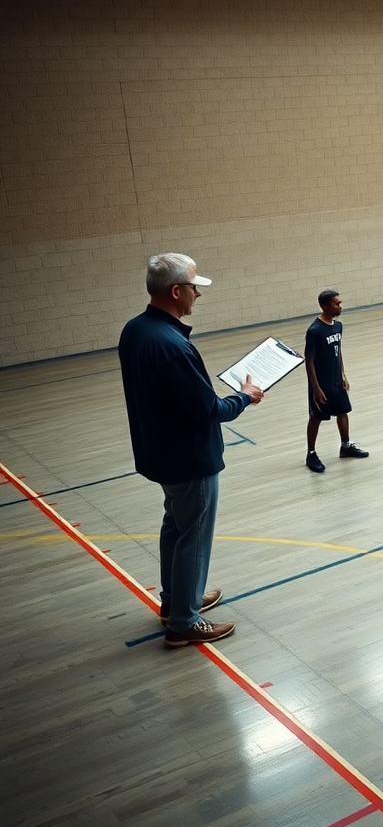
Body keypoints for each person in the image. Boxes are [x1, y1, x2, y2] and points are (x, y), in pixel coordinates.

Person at [118, 253, 264, 648]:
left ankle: (176, 600)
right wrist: (246, 397)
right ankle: (184, 621)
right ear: (177, 291)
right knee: (194, 537)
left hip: (161, 453)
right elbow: (209, 410)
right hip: (189, 459)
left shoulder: (135, 330)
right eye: (195, 287)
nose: (198, 294)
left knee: (176, 529)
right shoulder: (173, 346)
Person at [304, 288, 369, 472]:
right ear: (324, 306)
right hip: (321, 383)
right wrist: (315, 388)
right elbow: (308, 360)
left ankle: (345, 446)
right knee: (316, 417)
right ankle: (310, 453)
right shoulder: (314, 331)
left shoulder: (338, 326)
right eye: (336, 303)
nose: (340, 306)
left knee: (343, 412)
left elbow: (338, 351)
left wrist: (343, 374)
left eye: (340, 302)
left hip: (336, 380)